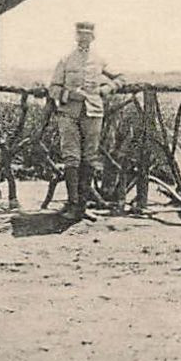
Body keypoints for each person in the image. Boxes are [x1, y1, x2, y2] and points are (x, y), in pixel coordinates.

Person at [47, 21, 121, 220]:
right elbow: (53, 88)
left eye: (87, 36)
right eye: (80, 36)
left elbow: (121, 77)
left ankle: (83, 206)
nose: (84, 39)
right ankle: (72, 204)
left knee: (90, 157)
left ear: (93, 38)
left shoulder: (100, 60)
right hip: (69, 114)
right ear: (76, 37)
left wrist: (105, 90)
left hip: (93, 112)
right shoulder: (65, 60)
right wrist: (69, 94)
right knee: (71, 157)